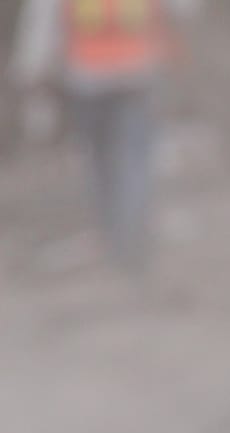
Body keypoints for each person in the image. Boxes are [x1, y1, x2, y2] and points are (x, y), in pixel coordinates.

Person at [7, 0, 192, 271]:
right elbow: (183, 9)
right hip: (136, 73)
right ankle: (132, 237)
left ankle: (117, 237)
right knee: (134, 160)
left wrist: (31, 72)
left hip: (88, 79)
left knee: (101, 163)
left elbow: (42, 25)